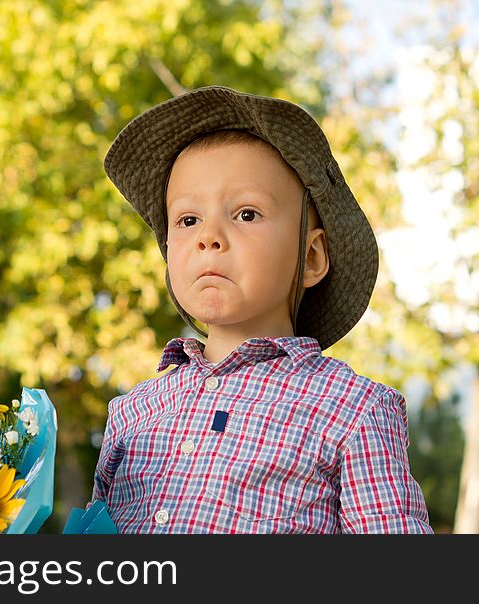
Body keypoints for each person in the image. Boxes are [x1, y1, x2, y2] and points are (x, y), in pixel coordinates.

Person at [90, 85, 432, 533]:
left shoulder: (352, 411)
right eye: (187, 220)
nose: (207, 236)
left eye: (246, 214)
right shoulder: (132, 414)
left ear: (311, 257)